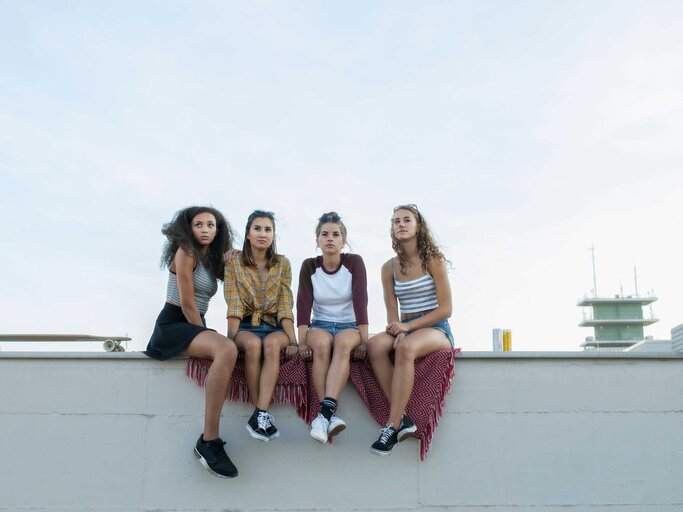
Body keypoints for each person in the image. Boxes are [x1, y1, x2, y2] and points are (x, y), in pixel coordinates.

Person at [145, 206, 239, 478]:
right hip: (174, 323)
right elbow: (187, 303)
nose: (206, 229)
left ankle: (210, 441)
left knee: (229, 348)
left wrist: (234, 257)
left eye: (211, 225)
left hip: (194, 323)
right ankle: (209, 442)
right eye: (199, 225)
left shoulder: (210, 260)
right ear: (189, 229)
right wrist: (208, 336)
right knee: (226, 348)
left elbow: (239, 278)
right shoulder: (185, 252)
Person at [365, 204, 454, 456]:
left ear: (418, 227)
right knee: (375, 345)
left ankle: (391, 426)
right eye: (396, 221)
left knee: (405, 348)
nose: (401, 224)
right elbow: (392, 311)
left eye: (406, 220)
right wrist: (399, 329)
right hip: (407, 327)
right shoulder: (388, 268)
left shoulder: (433, 260)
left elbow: (446, 309)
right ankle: (403, 418)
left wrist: (409, 328)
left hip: (436, 328)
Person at [224, 210, 298, 442]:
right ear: (248, 234)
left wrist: (294, 340)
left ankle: (259, 414)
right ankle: (261, 414)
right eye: (257, 229)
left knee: (272, 345)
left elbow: (286, 304)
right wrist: (230, 338)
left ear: (273, 235)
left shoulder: (282, 263)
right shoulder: (234, 263)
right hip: (246, 326)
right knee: (254, 346)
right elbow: (234, 303)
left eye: (268, 230)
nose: (262, 234)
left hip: (275, 326)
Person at [297, 212, 369, 444]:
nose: (330, 238)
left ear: (343, 241)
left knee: (343, 344)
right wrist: (300, 342)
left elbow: (361, 301)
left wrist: (365, 341)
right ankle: (328, 414)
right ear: (317, 240)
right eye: (324, 234)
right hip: (320, 324)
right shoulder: (309, 266)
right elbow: (303, 306)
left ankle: (323, 416)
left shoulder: (354, 262)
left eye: (335, 234)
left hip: (349, 325)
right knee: (321, 344)